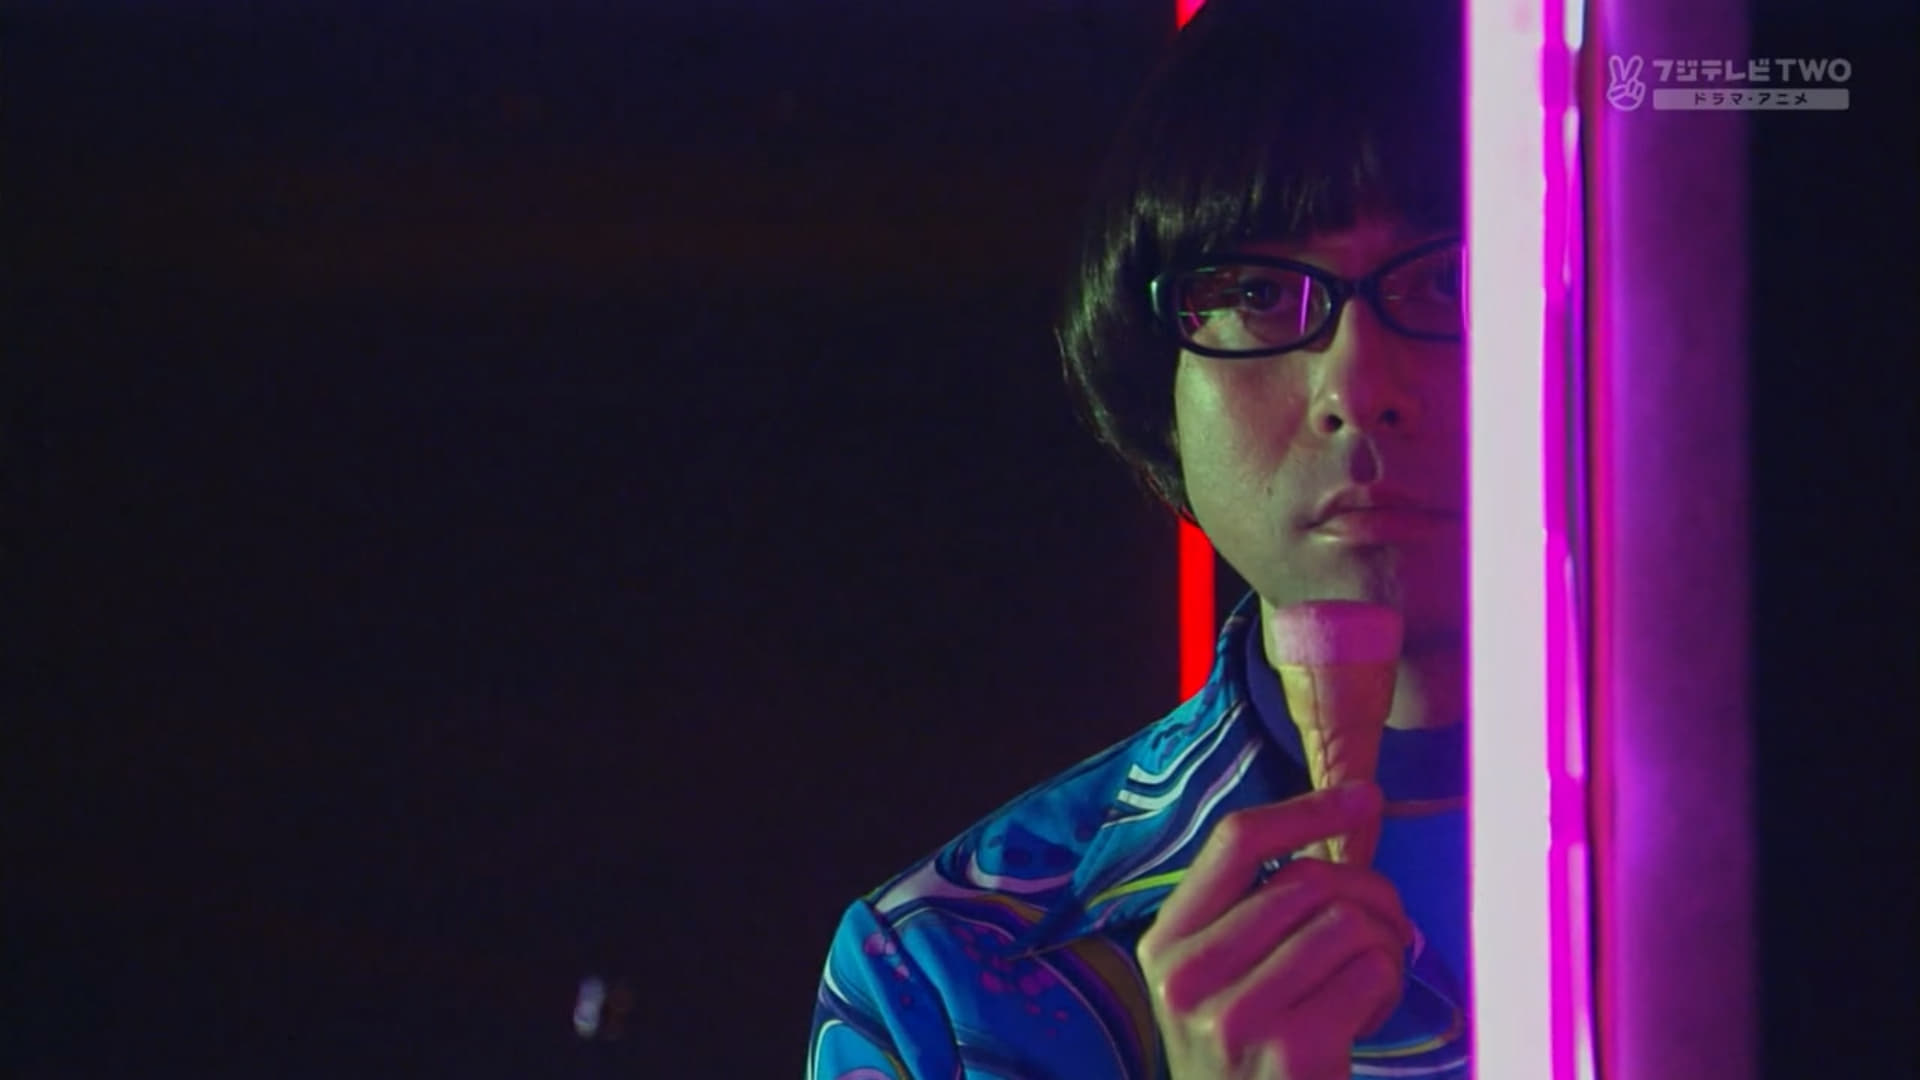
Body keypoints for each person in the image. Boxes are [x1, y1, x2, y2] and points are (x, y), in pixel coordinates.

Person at [808, 1, 1468, 1076]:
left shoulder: (1762, 860)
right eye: (1257, 292)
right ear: (1159, 377)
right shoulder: (948, 974)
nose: (1356, 387)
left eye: (1447, 280)